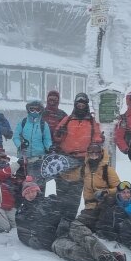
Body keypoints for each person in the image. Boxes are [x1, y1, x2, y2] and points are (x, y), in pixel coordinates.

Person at [16, 180, 126, 261]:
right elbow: (21, 233)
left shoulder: (51, 199)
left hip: (68, 226)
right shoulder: (22, 212)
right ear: (24, 195)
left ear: (37, 190)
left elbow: (69, 209)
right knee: (75, 252)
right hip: (54, 240)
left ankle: (105, 256)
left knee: (87, 238)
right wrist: (30, 240)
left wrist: (65, 221)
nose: (30, 194)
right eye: (27, 192)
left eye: (32, 191)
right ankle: (109, 257)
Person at [53, 92, 103, 220]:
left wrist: (98, 142)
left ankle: (69, 218)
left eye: (83, 104)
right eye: (78, 104)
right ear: (75, 105)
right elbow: (56, 136)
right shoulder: (68, 119)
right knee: (62, 189)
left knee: (75, 191)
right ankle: (59, 217)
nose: (81, 107)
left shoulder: (92, 121)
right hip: (65, 159)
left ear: (86, 105)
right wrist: (60, 133)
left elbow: (96, 136)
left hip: (82, 160)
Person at [12, 100, 53, 191]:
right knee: (22, 184)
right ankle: (22, 202)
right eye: (32, 109)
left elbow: (47, 139)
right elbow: (15, 137)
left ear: (41, 111)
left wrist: (49, 147)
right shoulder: (23, 122)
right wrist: (20, 145)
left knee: (38, 185)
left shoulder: (43, 124)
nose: (34, 112)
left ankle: (39, 202)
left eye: (37, 110)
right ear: (28, 110)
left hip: (38, 160)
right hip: (24, 159)